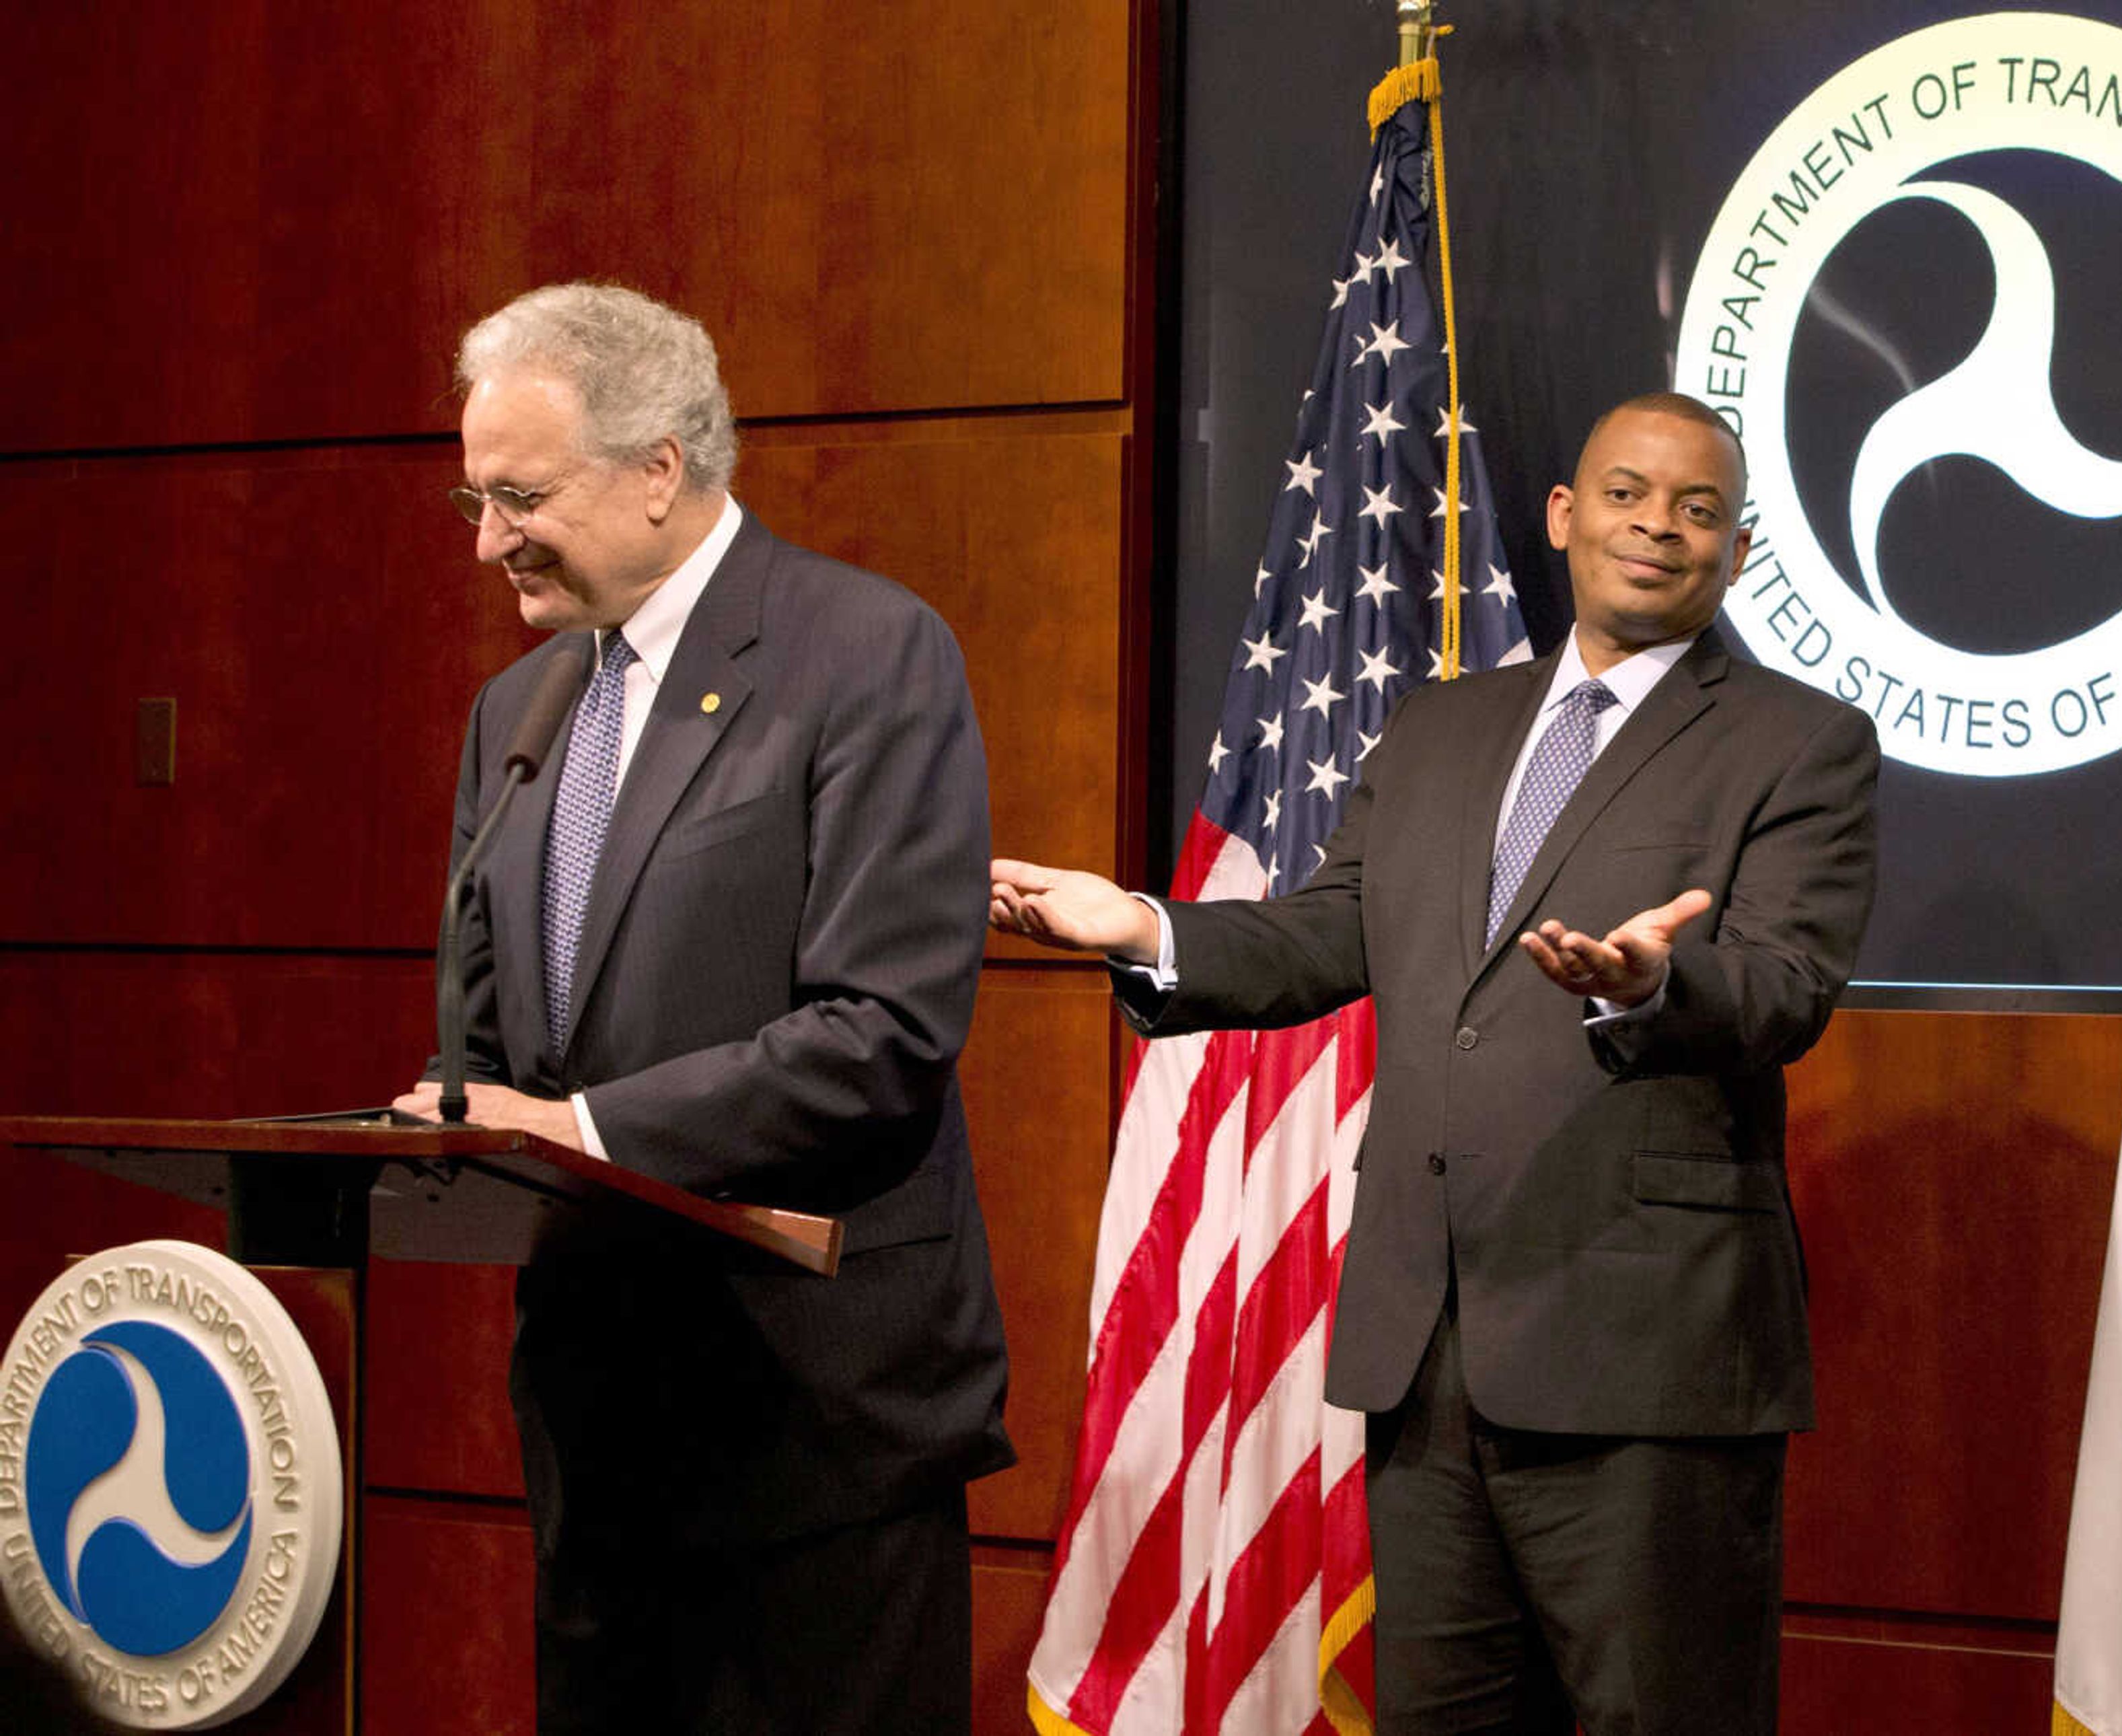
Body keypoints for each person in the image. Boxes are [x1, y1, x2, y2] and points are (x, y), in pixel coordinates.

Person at [992, 392, 1878, 1735]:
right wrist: (1145, 927)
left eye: (1698, 510)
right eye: (1629, 494)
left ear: (1740, 552)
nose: (1658, 528)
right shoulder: (1442, 727)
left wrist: (1654, 982)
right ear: (1566, 517)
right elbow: (1336, 928)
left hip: (1646, 1358)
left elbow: (1784, 984)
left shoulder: (1800, 743)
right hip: (1426, 1341)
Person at [394, 283, 1010, 1734]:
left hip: (817, 1418)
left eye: (521, 496)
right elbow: (497, 1038)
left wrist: (584, 1126)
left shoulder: (866, 653)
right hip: (602, 1430)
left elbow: (886, 1029)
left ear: (660, 468)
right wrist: (462, 1111)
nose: (489, 540)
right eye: (474, 500)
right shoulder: (521, 709)